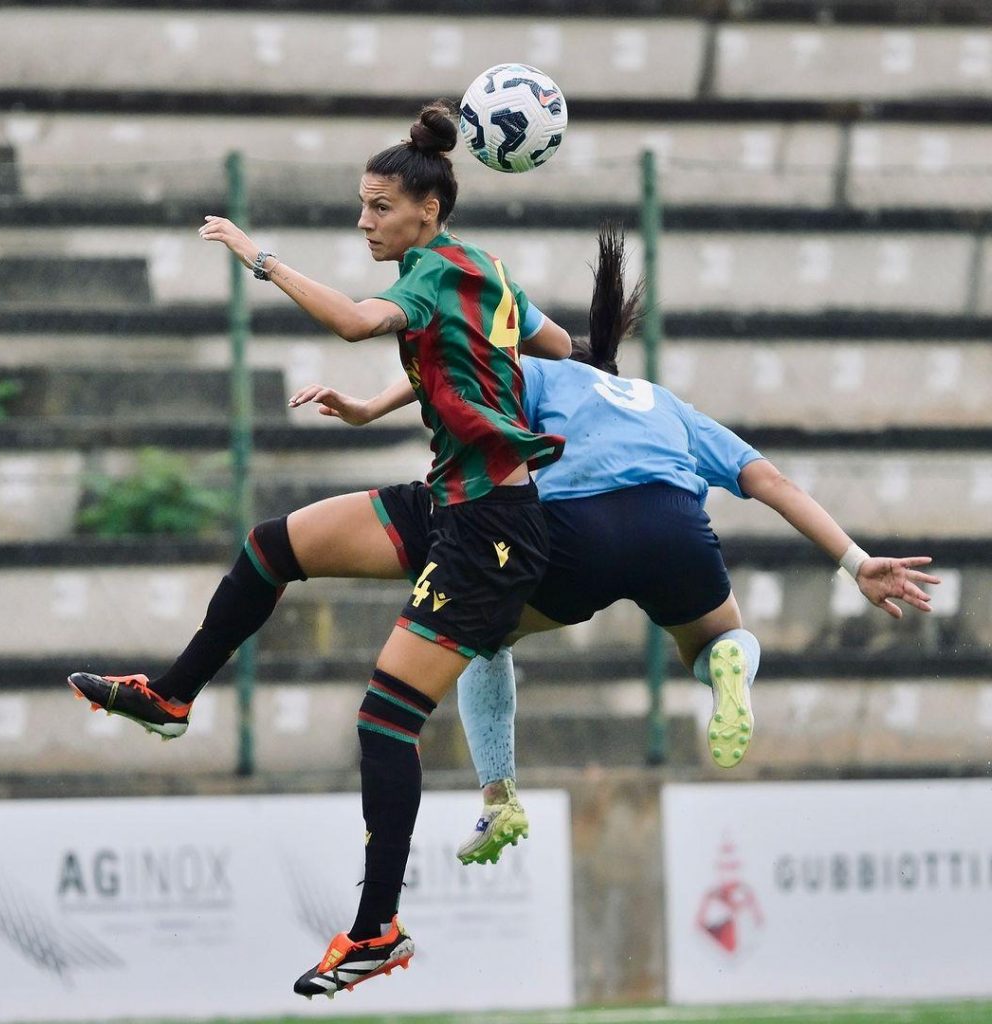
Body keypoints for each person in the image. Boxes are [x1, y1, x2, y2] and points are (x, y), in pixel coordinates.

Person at [66, 101, 573, 999]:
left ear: (427, 208)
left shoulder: (424, 275)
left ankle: (376, 930)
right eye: (363, 205)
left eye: (379, 207)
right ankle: (173, 697)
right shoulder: (482, 270)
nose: (365, 221)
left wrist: (258, 257)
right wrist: (382, 406)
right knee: (272, 547)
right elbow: (556, 346)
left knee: (385, 719)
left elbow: (351, 320)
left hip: (491, 529)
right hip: (452, 501)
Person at [303, 222, 940, 868]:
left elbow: (457, 374)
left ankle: (499, 793)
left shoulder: (546, 376)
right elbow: (770, 481)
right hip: (674, 528)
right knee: (716, 639)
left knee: (483, 636)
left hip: (578, 531)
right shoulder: (665, 404)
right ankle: (729, 669)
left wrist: (365, 408)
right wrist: (855, 561)